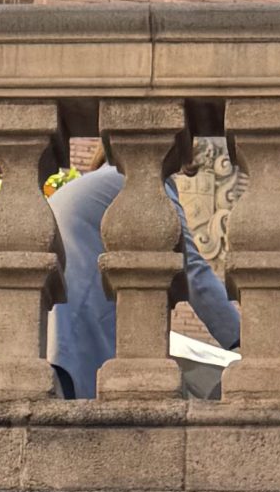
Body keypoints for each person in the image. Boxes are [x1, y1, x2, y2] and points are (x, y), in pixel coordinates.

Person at [47, 164, 240, 400]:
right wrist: (245, 344)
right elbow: (193, 272)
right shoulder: (144, 186)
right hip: (71, 341)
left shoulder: (103, 181)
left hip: (32, 338)